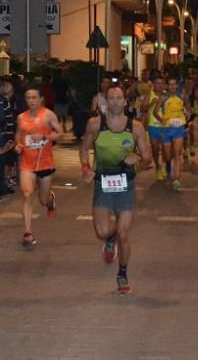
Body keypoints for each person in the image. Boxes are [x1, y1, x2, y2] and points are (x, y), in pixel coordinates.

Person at [81, 84, 151, 295]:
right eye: (111, 98)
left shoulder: (136, 127)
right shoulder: (95, 125)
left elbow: (148, 157)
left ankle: (122, 273)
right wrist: (85, 168)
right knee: (103, 232)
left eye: (119, 98)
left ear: (125, 101)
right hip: (103, 184)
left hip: (126, 185)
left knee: (123, 232)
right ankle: (109, 240)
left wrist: (138, 157)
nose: (115, 102)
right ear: (105, 102)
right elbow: (84, 149)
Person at [15, 84, 63, 250]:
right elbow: (19, 135)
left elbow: (60, 133)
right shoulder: (21, 117)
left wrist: (45, 135)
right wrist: (19, 145)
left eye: (34, 97)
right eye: (28, 98)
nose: (31, 101)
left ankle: (50, 200)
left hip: (45, 162)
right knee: (27, 195)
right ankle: (28, 233)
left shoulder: (48, 115)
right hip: (27, 163)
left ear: (41, 99)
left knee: (42, 200)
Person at [153, 77, 189, 192]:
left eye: (174, 84)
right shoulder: (163, 97)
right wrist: (162, 119)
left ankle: (176, 179)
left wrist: (187, 117)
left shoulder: (182, 96)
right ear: (167, 86)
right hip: (166, 129)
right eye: (170, 84)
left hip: (178, 129)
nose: (172, 86)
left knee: (177, 154)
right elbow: (155, 111)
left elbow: (188, 108)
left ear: (177, 85)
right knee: (168, 155)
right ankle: (168, 165)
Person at [142, 75, 167, 180]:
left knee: (166, 149)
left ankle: (165, 166)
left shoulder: (167, 95)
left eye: (162, 83)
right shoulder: (149, 95)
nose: (159, 86)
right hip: (153, 126)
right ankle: (158, 167)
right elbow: (142, 108)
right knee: (155, 150)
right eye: (157, 83)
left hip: (165, 126)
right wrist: (151, 103)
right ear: (153, 85)